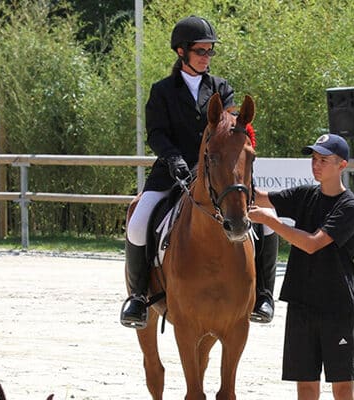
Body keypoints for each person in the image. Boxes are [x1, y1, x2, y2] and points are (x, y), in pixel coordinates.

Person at [121, 15, 268, 328]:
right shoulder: (162, 91)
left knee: (268, 222)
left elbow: (228, 128)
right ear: (181, 52)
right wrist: (173, 157)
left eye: (209, 51)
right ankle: (137, 297)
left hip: (217, 174)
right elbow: (156, 133)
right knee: (139, 221)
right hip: (172, 171)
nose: (206, 57)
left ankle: (263, 294)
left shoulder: (221, 88)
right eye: (200, 51)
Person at [248, 133, 354, 400]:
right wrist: (231, 175)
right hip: (300, 304)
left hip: (336, 307)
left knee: (343, 385)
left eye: (324, 160)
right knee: (306, 384)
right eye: (314, 159)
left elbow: (313, 244)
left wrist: (273, 222)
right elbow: (261, 197)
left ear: (342, 165)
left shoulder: (350, 207)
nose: (316, 164)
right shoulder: (304, 194)